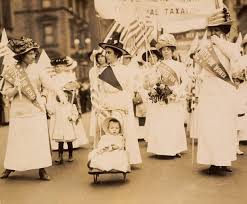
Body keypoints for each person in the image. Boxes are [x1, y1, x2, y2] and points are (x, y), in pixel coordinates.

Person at [0, 37, 66, 180]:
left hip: (36, 109)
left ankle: (41, 169)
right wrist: (16, 88)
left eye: (34, 53)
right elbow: (6, 92)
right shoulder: (12, 70)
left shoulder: (38, 69)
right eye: (30, 53)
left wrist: (60, 93)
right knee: (17, 140)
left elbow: (49, 83)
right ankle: (10, 166)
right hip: (19, 110)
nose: (34, 55)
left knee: (38, 140)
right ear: (22, 55)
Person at [194, 7, 242, 174]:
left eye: (218, 30)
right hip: (209, 90)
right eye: (212, 30)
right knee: (210, 126)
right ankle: (212, 161)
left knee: (225, 126)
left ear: (224, 31)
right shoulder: (205, 48)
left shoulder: (230, 47)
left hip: (225, 90)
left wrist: (219, 43)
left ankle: (224, 160)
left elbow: (236, 65)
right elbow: (199, 70)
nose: (214, 33)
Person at [97, 31, 142, 165]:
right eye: (105, 52)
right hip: (107, 103)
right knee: (109, 132)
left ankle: (126, 159)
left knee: (124, 131)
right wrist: (101, 105)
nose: (106, 55)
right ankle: (110, 160)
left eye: (109, 52)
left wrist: (125, 106)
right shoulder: (103, 71)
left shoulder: (126, 70)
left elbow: (129, 90)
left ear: (117, 54)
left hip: (121, 104)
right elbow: (101, 91)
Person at [145, 34, 188, 157]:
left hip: (174, 98)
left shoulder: (179, 65)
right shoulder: (157, 66)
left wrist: (177, 91)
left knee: (174, 123)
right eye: (163, 49)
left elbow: (185, 80)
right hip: (161, 99)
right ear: (160, 51)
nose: (166, 52)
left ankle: (175, 149)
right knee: (161, 124)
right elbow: (152, 82)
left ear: (172, 50)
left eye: (168, 49)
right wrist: (152, 82)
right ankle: (160, 150)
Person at [46, 57, 88, 150]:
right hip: (56, 103)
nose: (58, 68)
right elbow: (50, 93)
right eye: (56, 67)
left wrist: (67, 89)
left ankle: (73, 142)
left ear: (64, 67)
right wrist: (49, 105)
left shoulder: (68, 77)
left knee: (69, 120)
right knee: (57, 122)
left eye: (60, 66)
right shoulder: (52, 79)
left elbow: (75, 87)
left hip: (67, 103)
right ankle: (57, 144)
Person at [50, 90, 79, 164]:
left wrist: (72, 117)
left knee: (69, 142)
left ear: (68, 97)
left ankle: (70, 155)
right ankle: (60, 156)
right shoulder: (56, 106)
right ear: (59, 97)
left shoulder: (71, 105)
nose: (64, 98)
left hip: (68, 126)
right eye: (62, 96)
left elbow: (76, 114)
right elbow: (51, 112)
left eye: (66, 96)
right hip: (59, 126)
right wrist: (49, 110)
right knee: (60, 143)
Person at [88, 50, 106, 140]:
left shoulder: (109, 68)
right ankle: (99, 136)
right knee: (98, 115)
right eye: (98, 57)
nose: (100, 59)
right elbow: (92, 83)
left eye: (102, 56)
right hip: (98, 94)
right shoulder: (93, 70)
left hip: (107, 93)